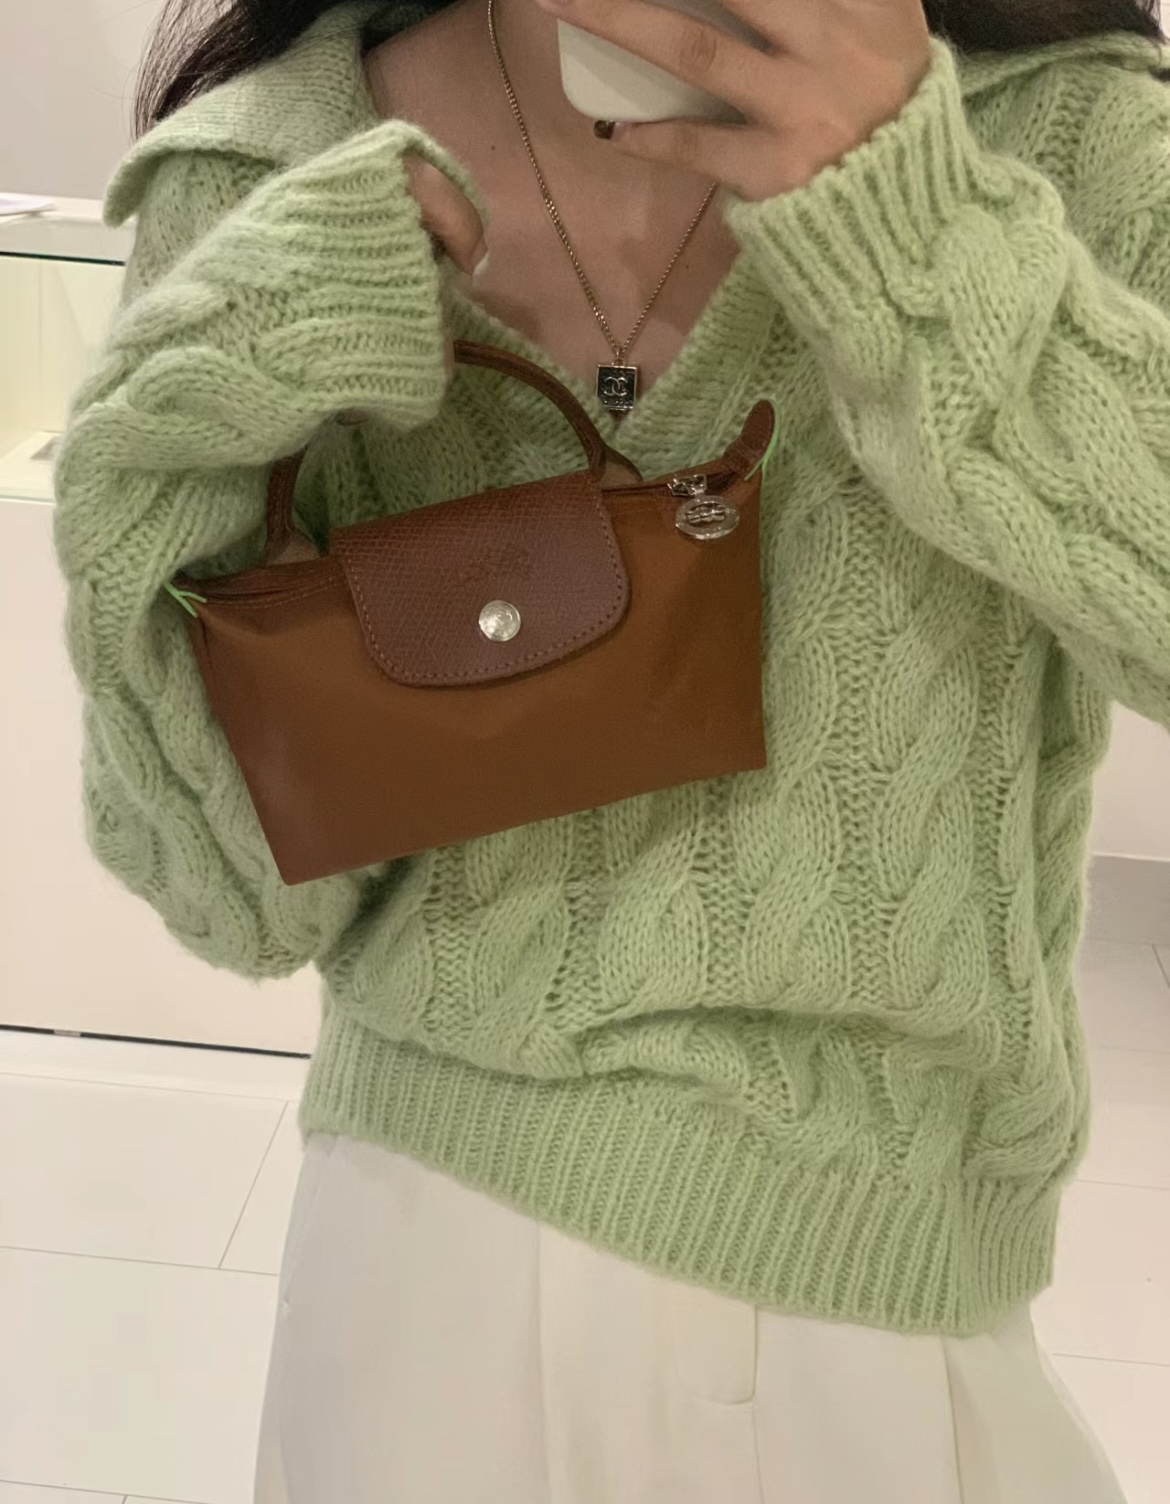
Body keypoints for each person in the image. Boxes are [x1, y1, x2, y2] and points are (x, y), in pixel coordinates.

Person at [52, 0, 1170, 1497]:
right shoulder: (272, 164)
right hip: (424, 1274)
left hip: (888, 1297)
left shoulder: (1068, 134)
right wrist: (167, 445)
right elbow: (236, 898)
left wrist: (921, 235)